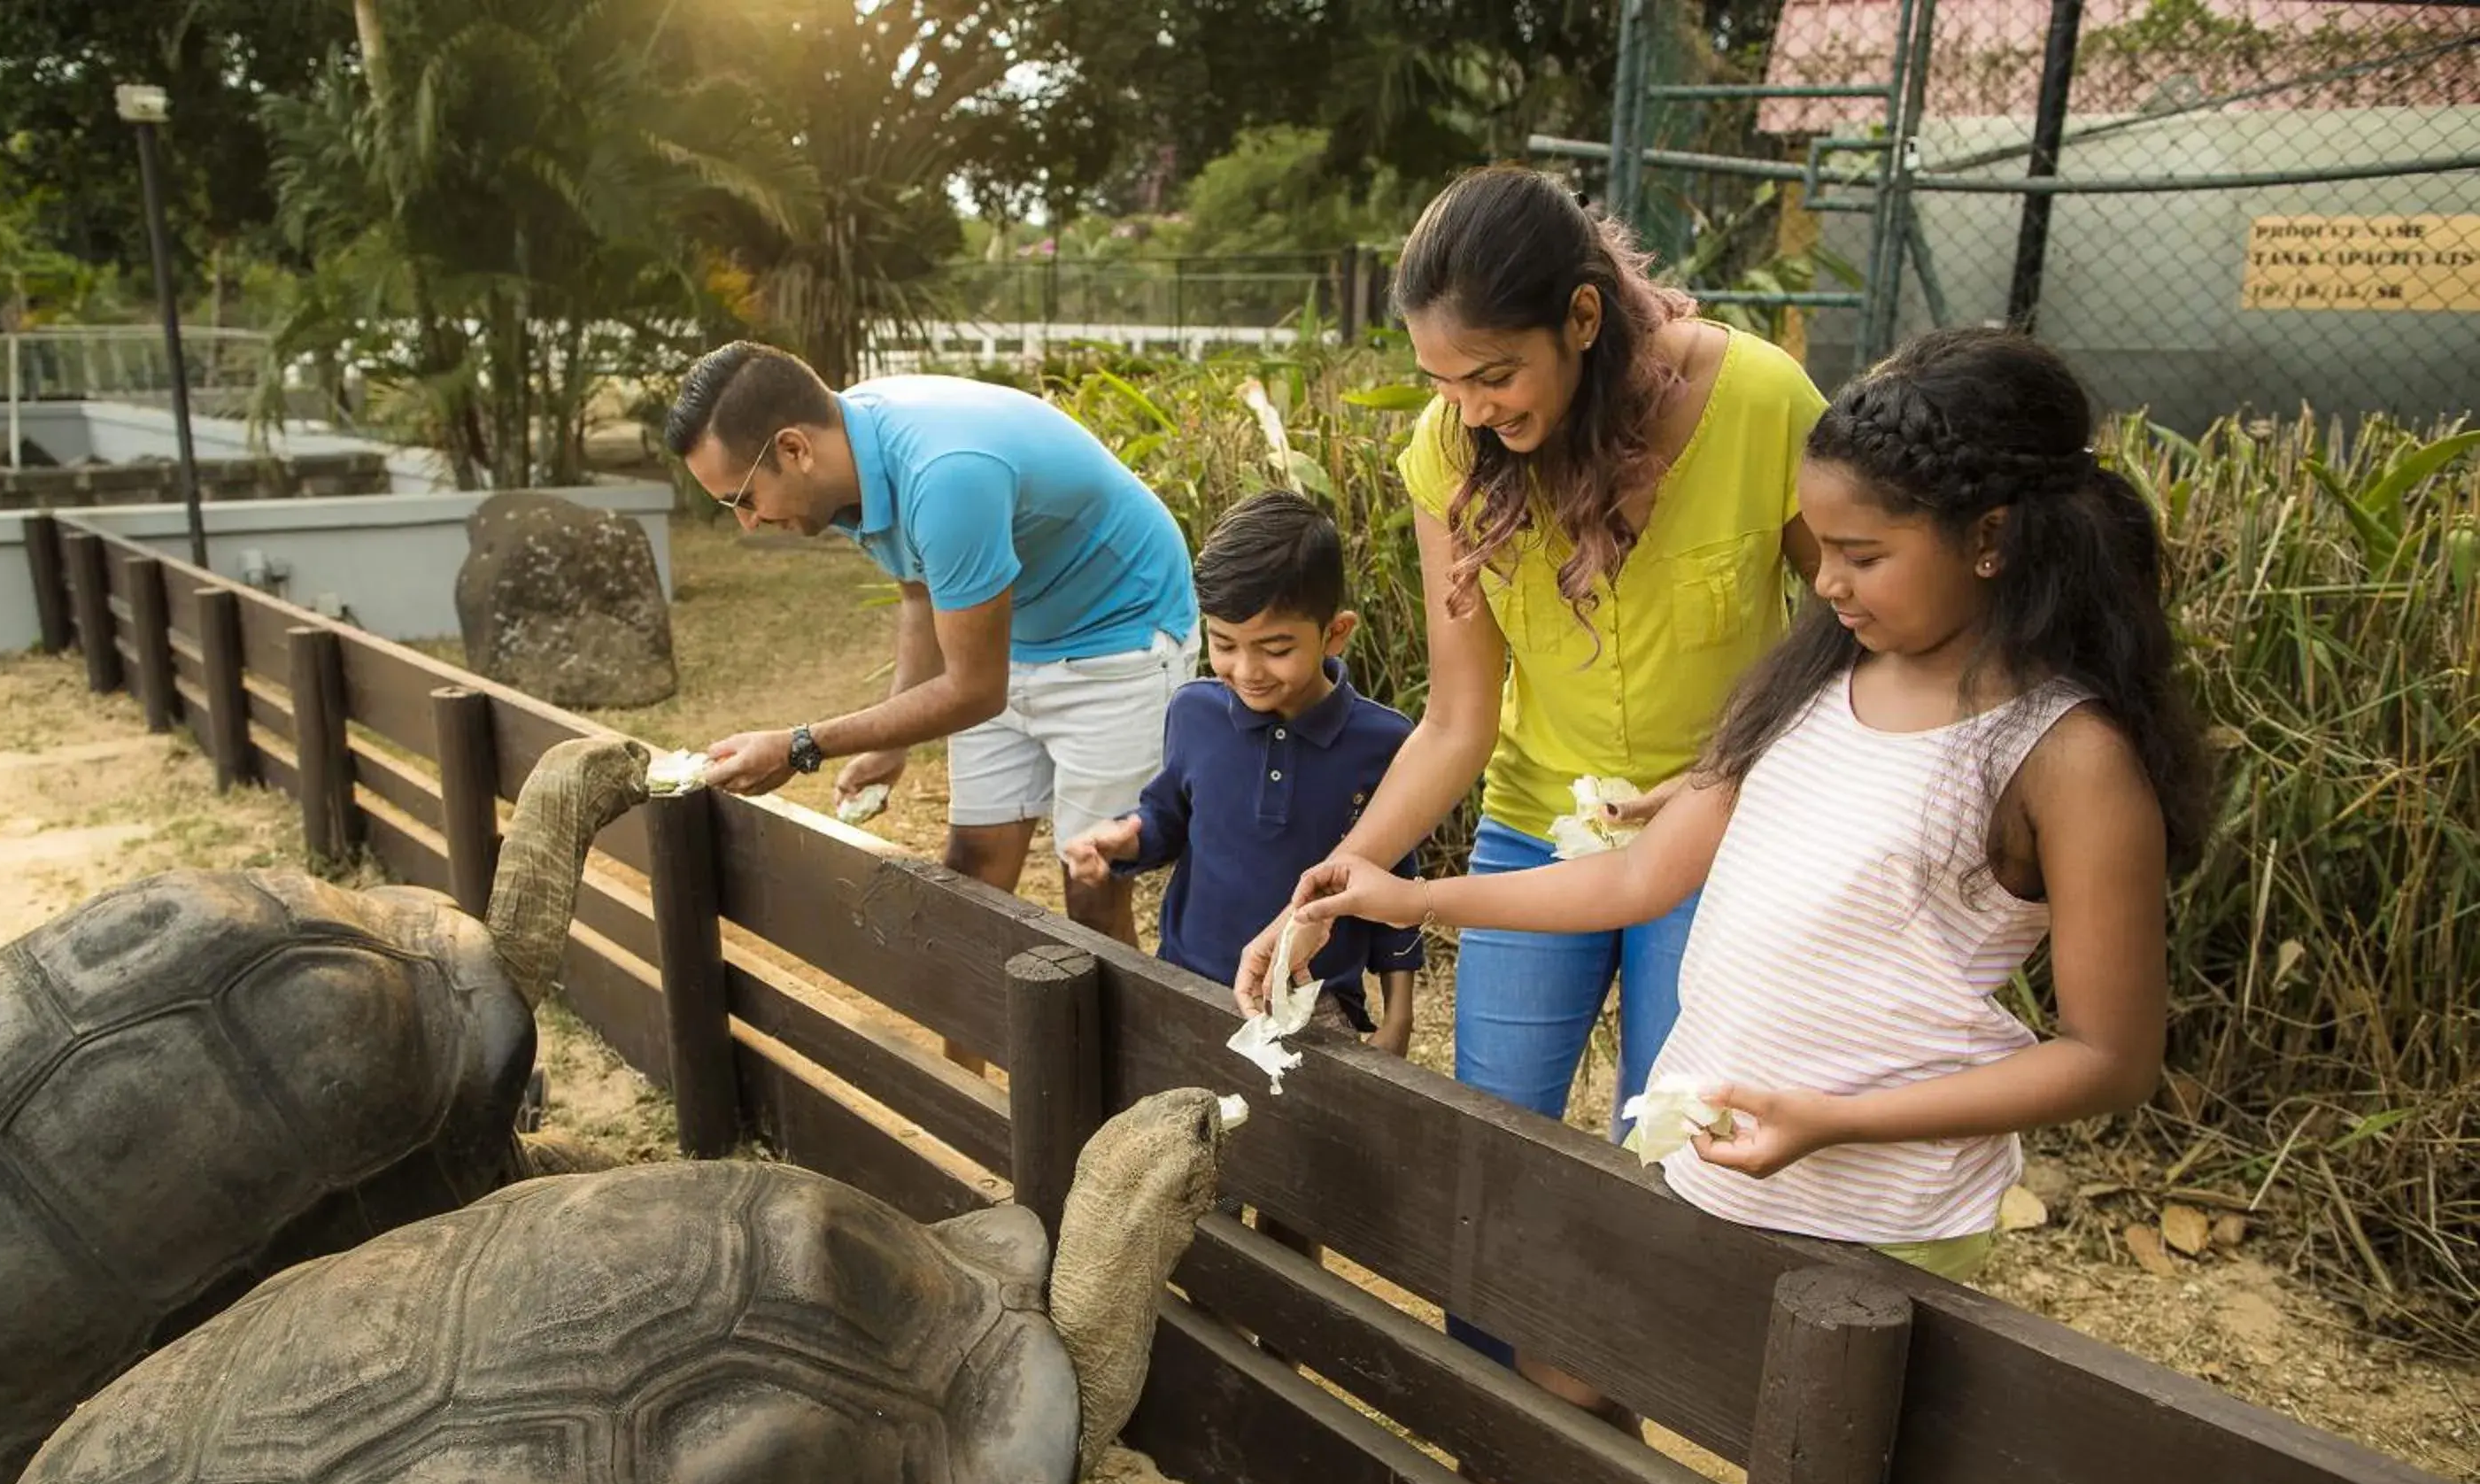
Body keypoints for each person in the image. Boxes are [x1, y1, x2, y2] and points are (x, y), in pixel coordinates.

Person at [1279, 327, 2211, 1283]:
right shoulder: (1819, 675)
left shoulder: (2069, 757)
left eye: (1862, 553)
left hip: (1877, 1215)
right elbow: (1641, 875)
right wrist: (1408, 897)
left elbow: (2111, 1056)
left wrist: (1834, 1122)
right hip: (1715, 1162)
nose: (1826, 580)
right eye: (1825, 547)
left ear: (1991, 537)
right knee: (1573, 1370)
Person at [1232, 164, 1827, 1401]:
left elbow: (1852, 626)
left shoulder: (1763, 401)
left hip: (1724, 841)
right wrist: (1345, 879)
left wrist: (1754, 771)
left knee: (1663, 1166)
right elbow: (1459, 719)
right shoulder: (1448, 449)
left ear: (1585, 318)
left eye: (1494, 375)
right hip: (1529, 828)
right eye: (1444, 381)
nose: (1471, 410)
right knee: (1488, 1152)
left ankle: (1618, 1443)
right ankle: (1494, 1437)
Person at [667, 342, 1198, 975]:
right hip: (1014, 635)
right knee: (971, 872)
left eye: (744, 498)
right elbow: (919, 587)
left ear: (793, 449)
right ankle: (958, 1076)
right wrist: (892, 734)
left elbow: (974, 691)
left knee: (1091, 889)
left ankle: (1128, 1077)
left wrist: (799, 745)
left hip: (1120, 637)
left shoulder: (945, 473)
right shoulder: (844, 465)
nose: (748, 524)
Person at [1062, 489, 1423, 1259]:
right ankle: (1212, 1332)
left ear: (1336, 632)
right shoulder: (1194, 710)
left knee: (1298, 1194)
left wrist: (1398, 1014)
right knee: (1195, 1182)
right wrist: (1124, 839)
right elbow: (1168, 819)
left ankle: (1278, 1356)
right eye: (1223, 642)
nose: (1244, 669)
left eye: (1274, 647)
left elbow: (1398, 882)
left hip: (1317, 1012)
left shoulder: (1385, 744)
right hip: (1193, 987)